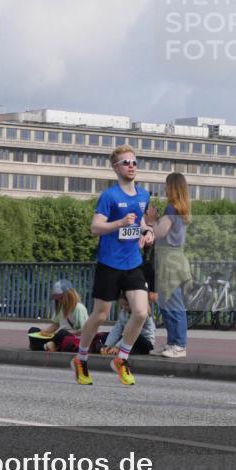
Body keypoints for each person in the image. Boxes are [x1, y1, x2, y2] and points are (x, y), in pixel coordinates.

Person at [71, 145, 154, 386]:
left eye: (134, 162)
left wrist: (147, 233)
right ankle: (81, 359)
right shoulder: (109, 196)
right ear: (115, 168)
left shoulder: (143, 195)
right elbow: (95, 228)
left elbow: (141, 224)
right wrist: (118, 222)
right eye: (126, 162)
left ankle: (121, 358)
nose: (131, 166)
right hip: (109, 264)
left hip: (132, 263)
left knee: (141, 312)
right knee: (100, 315)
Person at [153, 172, 193, 358]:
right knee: (168, 302)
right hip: (175, 259)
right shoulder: (181, 209)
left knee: (173, 303)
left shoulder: (171, 208)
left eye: (166, 185)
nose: (164, 188)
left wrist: (152, 220)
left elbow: (160, 232)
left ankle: (179, 345)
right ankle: (172, 343)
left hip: (169, 260)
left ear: (172, 187)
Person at [28, 280, 88, 351]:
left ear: (69, 295)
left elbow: (84, 330)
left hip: (69, 337)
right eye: (57, 298)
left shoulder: (78, 308)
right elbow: (55, 325)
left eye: (61, 297)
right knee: (33, 330)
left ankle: (42, 346)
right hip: (56, 336)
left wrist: (69, 332)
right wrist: (45, 332)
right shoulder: (61, 307)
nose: (59, 300)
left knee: (62, 333)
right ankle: (47, 346)